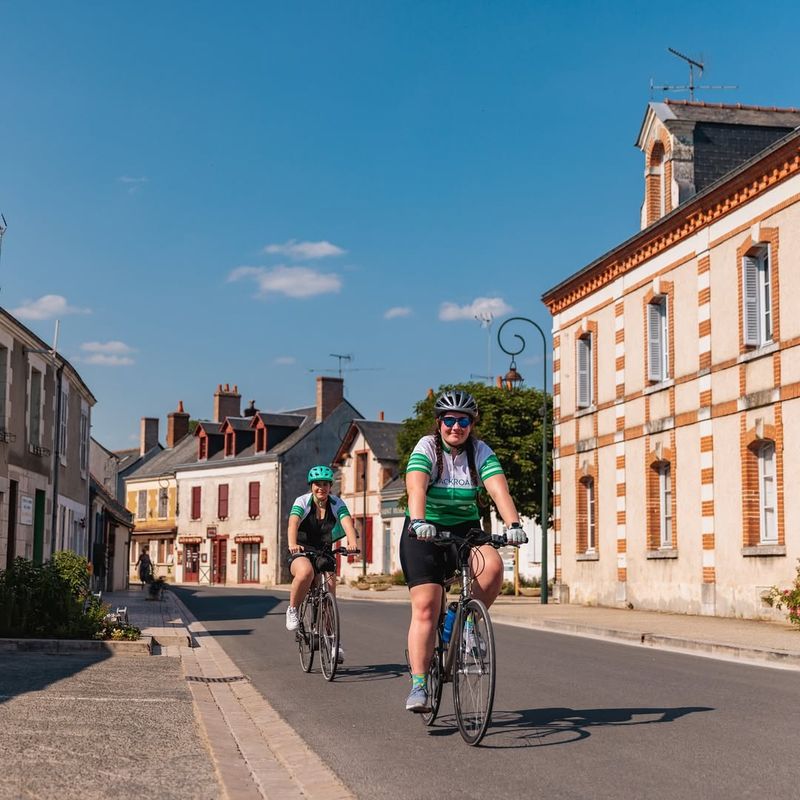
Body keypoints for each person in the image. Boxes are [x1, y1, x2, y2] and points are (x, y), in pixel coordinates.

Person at [400, 389, 525, 712]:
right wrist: (418, 520)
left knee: (493, 565)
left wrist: (512, 524)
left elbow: (499, 489)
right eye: (450, 420)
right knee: (426, 607)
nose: (456, 427)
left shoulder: (479, 451)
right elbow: (416, 485)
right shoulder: (427, 447)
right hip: (423, 529)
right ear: (439, 422)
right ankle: (418, 685)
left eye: (464, 421)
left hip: (465, 529)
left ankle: (466, 622)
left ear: (472, 424)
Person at [285, 465, 359, 663]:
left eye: (325, 484)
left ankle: (334, 643)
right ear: (311, 486)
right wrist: (292, 544)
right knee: (306, 573)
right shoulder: (302, 501)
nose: (322, 488)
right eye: (318, 484)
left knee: (330, 593)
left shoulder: (336, 503)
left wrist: (352, 543)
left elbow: (347, 523)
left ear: (330, 486)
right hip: (301, 550)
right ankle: (293, 609)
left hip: (324, 551)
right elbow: (293, 523)